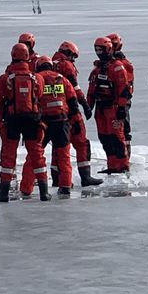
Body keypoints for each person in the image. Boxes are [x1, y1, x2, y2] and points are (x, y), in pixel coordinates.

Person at [0, 43, 50, 202]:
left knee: (9, 156)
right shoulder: (37, 78)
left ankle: (4, 193)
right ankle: (44, 192)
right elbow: (40, 95)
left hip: (12, 120)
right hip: (32, 120)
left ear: (12, 57)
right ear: (28, 57)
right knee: (37, 155)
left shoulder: (5, 79)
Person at [19, 56, 79, 197]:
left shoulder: (36, 79)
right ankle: (65, 186)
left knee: (33, 157)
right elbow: (73, 101)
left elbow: (30, 100)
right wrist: (74, 121)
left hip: (42, 124)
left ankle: (26, 188)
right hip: (61, 122)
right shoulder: (62, 79)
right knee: (64, 157)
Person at [52, 41, 103, 187]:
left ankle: (57, 178)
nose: (73, 60)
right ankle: (85, 177)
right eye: (73, 56)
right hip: (70, 109)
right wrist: (85, 105)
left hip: (54, 111)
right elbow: (74, 88)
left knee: (59, 145)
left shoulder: (50, 63)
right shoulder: (66, 65)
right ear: (69, 53)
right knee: (81, 143)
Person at [86, 37, 131, 174]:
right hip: (100, 108)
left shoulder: (117, 67)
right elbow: (91, 89)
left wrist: (122, 108)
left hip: (113, 107)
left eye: (101, 50)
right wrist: (89, 107)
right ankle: (112, 165)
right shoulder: (97, 69)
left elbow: (124, 89)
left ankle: (123, 166)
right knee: (104, 137)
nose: (98, 52)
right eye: (97, 50)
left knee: (116, 138)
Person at [107, 33, 134, 157]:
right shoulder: (110, 63)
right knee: (111, 131)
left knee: (124, 129)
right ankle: (116, 158)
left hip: (121, 101)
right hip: (111, 101)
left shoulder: (123, 64)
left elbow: (125, 86)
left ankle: (124, 156)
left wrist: (122, 105)